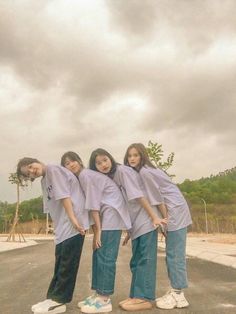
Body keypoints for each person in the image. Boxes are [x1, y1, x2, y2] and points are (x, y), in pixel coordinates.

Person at [89, 148, 167, 311]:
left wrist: (154, 217)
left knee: (145, 259)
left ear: (110, 158)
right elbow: (123, 204)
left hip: (146, 219)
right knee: (136, 260)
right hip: (136, 222)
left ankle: (144, 298)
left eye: (105, 160)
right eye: (98, 163)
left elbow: (138, 195)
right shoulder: (111, 177)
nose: (103, 164)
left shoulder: (122, 171)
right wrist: (129, 230)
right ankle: (136, 296)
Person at [61, 151, 132, 314]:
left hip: (112, 215)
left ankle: (104, 299)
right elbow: (93, 208)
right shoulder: (82, 177)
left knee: (106, 256)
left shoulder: (85, 175)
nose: (71, 164)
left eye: (73, 160)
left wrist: (98, 232)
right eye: (67, 163)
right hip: (106, 215)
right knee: (98, 254)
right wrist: (96, 233)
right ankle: (97, 293)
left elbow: (93, 205)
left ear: (79, 161)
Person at [124, 143, 192, 310]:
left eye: (136, 155)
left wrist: (165, 221)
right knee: (173, 252)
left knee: (174, 254)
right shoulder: (149, 170)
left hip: (173, 211)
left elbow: (158, 199)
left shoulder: (145, 172)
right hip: (175, 209)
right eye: (130, 156)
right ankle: (178, 293)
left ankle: (177, 294)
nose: (132, 158)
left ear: (143, 156)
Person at [16, 157, 89, 314]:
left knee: (67, 264)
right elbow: (52, 207)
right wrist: (58, 228)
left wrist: (74, 220)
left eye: (30, 166)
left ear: (37, 161)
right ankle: (52, 297)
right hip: (63, 227)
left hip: (73, 224)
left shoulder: (54, 170)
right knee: (60, 262)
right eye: (28, 173)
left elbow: (64, 197)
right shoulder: (44, 180)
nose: (31, 171)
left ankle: (60, 300)